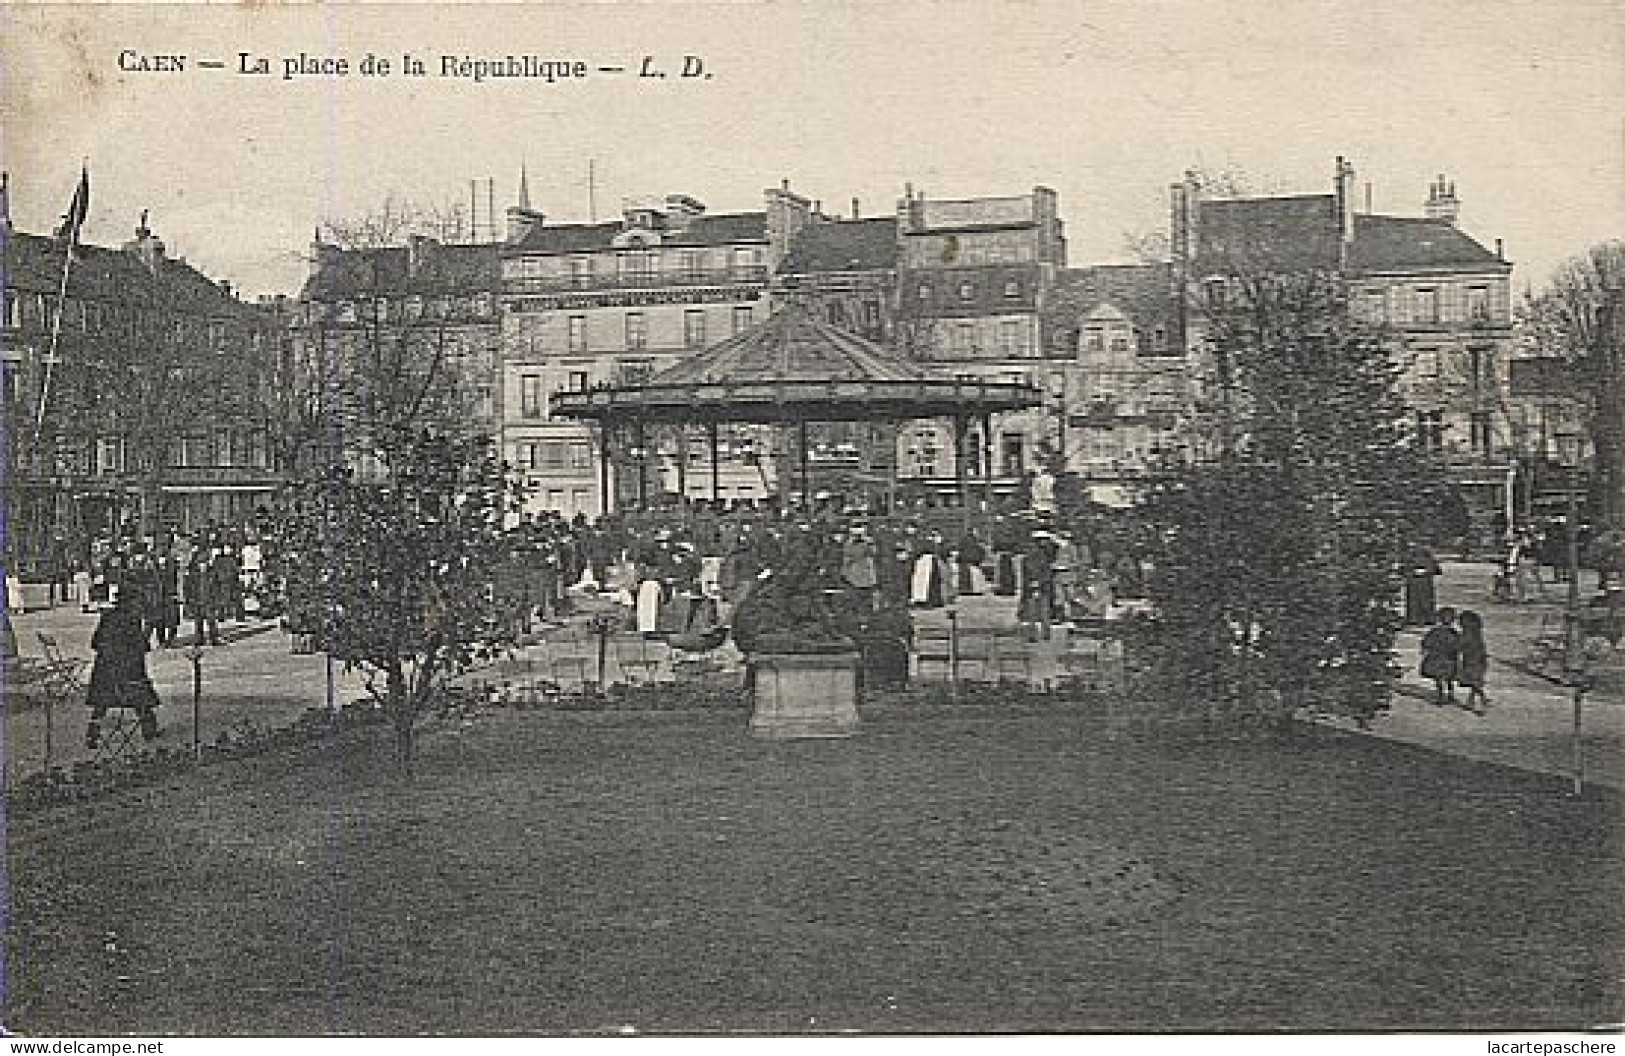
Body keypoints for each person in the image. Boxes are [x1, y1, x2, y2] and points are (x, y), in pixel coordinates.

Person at [83, 589, 163, 748]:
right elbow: (142, 648)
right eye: (137, 602)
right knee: (141, 695)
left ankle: (92, 734)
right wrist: (147, 631)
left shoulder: (107, 617)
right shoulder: (132, 620)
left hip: (104, 674)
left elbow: (94, 643)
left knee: (101, 703)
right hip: (128, 675)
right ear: (131, 603)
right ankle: (149, 730)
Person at [1418, 607, 1461, 707]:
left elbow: (1426, 642)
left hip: (1440, 658)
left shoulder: (1436, 631)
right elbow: (1459, 645)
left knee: (1441, 679)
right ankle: (1448, 696)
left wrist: (1425, 649)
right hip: (1446, 659)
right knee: (1448, 678)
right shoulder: (1453, 633)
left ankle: (1443, 696)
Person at [1456, 609, 1489, 715]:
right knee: (1475, 682)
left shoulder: (1467, 634)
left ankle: (1482, 703)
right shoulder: (1477, 633)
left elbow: (1460, 645)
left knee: (1474, 683)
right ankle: (1471, 701)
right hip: (1479, 661)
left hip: (1471, 662)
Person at [1404, 545, 1441, 626]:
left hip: (1415, 582)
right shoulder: (1429, 559)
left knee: (1415, 600)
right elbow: (1437, 570)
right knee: (1425, 600)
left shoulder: (1410, 559)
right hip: (1424, 583)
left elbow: (1404, 570)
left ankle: (1414, 618)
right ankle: (1427, 618)